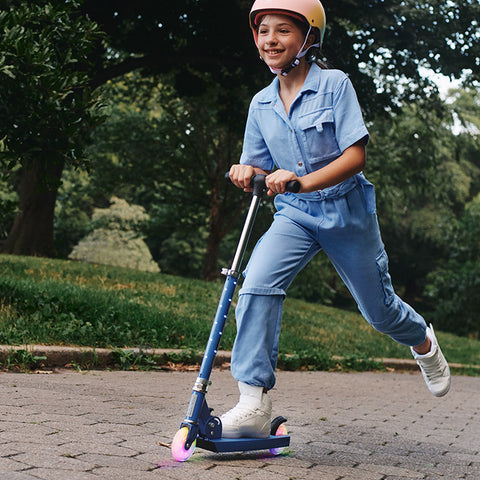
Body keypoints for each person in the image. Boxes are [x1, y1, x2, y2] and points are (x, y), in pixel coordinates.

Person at [222, 0, 451, 439]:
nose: (271, 40)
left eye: (283, 31)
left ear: (309, 38)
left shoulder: (334, 85)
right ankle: (253, 402)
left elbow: (356, 156)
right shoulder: (261, 104)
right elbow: (259, 167)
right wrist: (247, 171)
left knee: (379, 312)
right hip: (296, 215)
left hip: (346, 211)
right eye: (263, 31)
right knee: (256, 284)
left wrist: (302, 182)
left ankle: (423, 341)